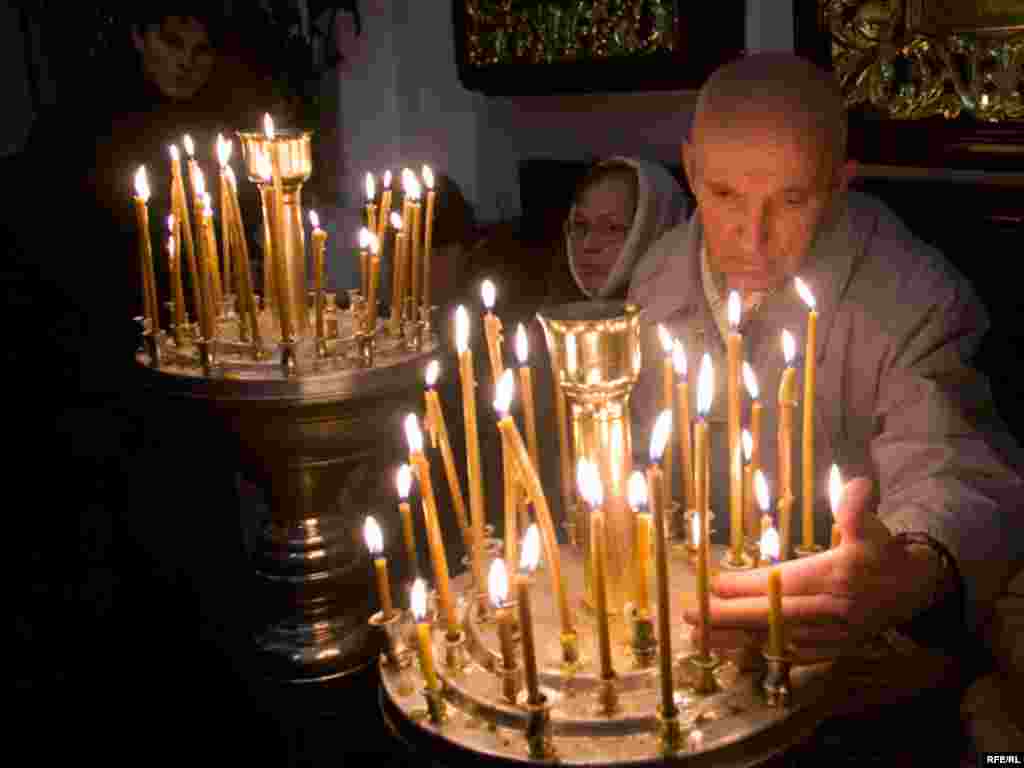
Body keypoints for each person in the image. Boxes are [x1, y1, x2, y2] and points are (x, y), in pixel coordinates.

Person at [627, 52, 1023, 737]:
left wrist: (904, 569)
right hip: (691, 649)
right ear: (690, 170)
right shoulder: (654, 277)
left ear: (839, 186)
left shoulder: (917, 297)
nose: (751, 238)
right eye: (723, 195)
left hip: (849, 670)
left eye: (790, 199)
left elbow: (953, 467)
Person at [546, 156, 688, 303]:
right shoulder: (548, 320)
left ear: (653, 233)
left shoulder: (690, 322)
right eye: (580, 225)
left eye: (612, 228)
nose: (588, 245)